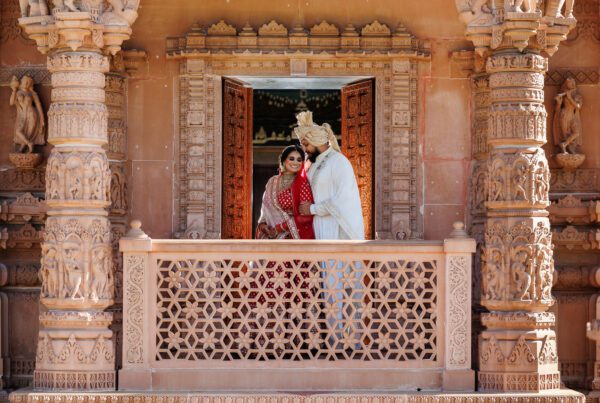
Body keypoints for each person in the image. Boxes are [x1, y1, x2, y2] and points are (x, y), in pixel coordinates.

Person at [294, 111, 364, 240]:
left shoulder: (339, 161)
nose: (304, 150)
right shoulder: (311, 163)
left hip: (335, 228)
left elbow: (344, 199)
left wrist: (313, 209)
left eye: (306, 144)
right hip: (316, 228)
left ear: (317, 141)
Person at [256, 145, 315, 240]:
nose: (295, 162)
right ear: (283, 161)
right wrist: (263, 226)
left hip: (293, 237)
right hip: (271, 237)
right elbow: (265, 211)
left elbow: (306, 217)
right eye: (291, 159)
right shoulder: (272, 181)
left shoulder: (303, 184)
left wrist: (279, 228)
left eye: (299, 160)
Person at [9, 75, 45, 154]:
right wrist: (14, 90)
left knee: (28, 133)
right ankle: (29, 143)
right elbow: (11, 103)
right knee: (18, 131)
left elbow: (39, 106)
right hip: (22, 114)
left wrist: (42, 120)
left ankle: (22, 148)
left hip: (32, 114)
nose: (26, 83)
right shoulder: (18, 92)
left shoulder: (32, 93)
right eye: (24, 81)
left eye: (28, 82)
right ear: (22, 82)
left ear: (30, 84)